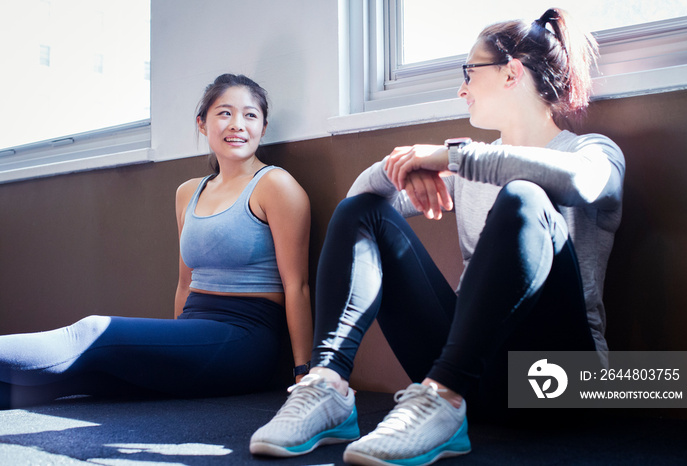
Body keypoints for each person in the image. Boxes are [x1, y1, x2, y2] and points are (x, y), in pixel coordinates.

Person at [250, 8, 625, 466]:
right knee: (363, 212)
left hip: (558, 382)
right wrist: (403, 169)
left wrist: (451, 157)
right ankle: (328, 386)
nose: (461, 87)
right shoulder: (466, 164)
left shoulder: (592, 151)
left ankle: (443, 394)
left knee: (524, 197)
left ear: (511, 73)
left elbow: (581, 184)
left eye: (470, 71)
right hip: (475, 380)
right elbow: (358, 211)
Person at [0, 74, 313, 409]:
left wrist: (304, 373)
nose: (237, 124)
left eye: (250, 115)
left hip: (244, 341)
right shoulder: (188, 192)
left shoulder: (275, 185)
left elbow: (298, 286)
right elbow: (184, 284)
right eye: (224, 113)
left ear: (263, 127)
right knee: (80, 377)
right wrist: (174, 351)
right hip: (195, 337)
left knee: (92, 335)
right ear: (202, 124)